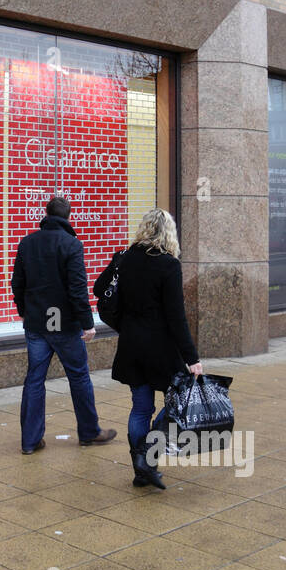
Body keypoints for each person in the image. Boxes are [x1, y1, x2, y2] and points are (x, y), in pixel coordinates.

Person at [94, 208, 202, 490]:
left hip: (132, 344)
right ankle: (146, 457)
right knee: (179, 402)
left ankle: (141, 468)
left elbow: (99, 289)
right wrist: (192, 358)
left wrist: (124, 323)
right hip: (162, 349)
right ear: (169, 232)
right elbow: (176, 317)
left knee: (140, 408)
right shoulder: (168, 265)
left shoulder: (125, 258)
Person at [10, 196, 117, 456]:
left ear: (46, 214)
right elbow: (77, 289)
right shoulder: (72, 245)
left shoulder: (27, 242)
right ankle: (89, 432)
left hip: (37, 322)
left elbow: (17, 283)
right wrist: (87, 324)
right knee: (78, 376)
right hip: (64, 324)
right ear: (68, 216)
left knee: (34, 379)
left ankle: (30, 441)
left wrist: (23, 312)